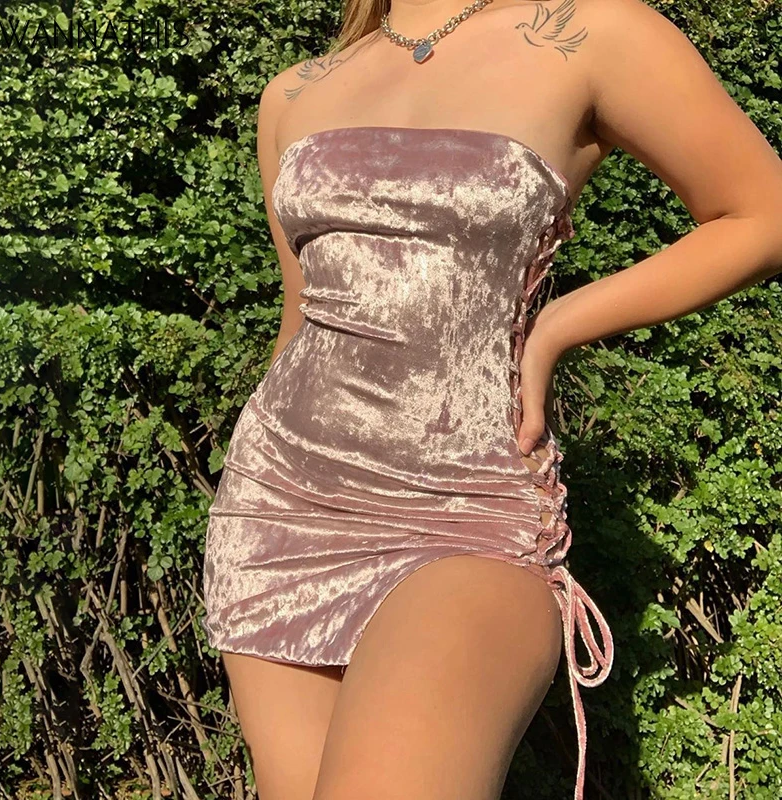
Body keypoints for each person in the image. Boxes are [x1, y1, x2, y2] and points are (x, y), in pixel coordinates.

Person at [202, 0, 782, 798]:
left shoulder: (593, 34)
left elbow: (763, 214)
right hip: (280, 510)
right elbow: (300, 316)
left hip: (468, 510)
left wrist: (555, 328)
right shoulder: (294, 92)